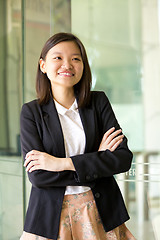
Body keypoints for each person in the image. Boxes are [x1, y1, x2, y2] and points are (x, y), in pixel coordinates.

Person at [20, 32, 136, 240]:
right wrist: (97, 160)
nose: (67, 65)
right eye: (58, 58)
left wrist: (60, 163)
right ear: (43, 65)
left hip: (100, 212)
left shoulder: (98, 103)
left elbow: (122, 159)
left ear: (83, 65)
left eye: (75, 58)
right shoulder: (31, 113)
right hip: (50, 219)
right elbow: (38, 176)